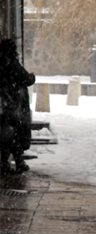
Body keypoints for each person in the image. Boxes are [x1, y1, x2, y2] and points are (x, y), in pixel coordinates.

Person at [0, 39, 35, 175]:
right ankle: (16, 162)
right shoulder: (12, 63)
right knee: (14, 134)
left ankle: (8, 163)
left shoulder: (2, 62)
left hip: (4, 105)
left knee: (6, 134)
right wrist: (32, 77)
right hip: (13, 105)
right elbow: (26, 78)